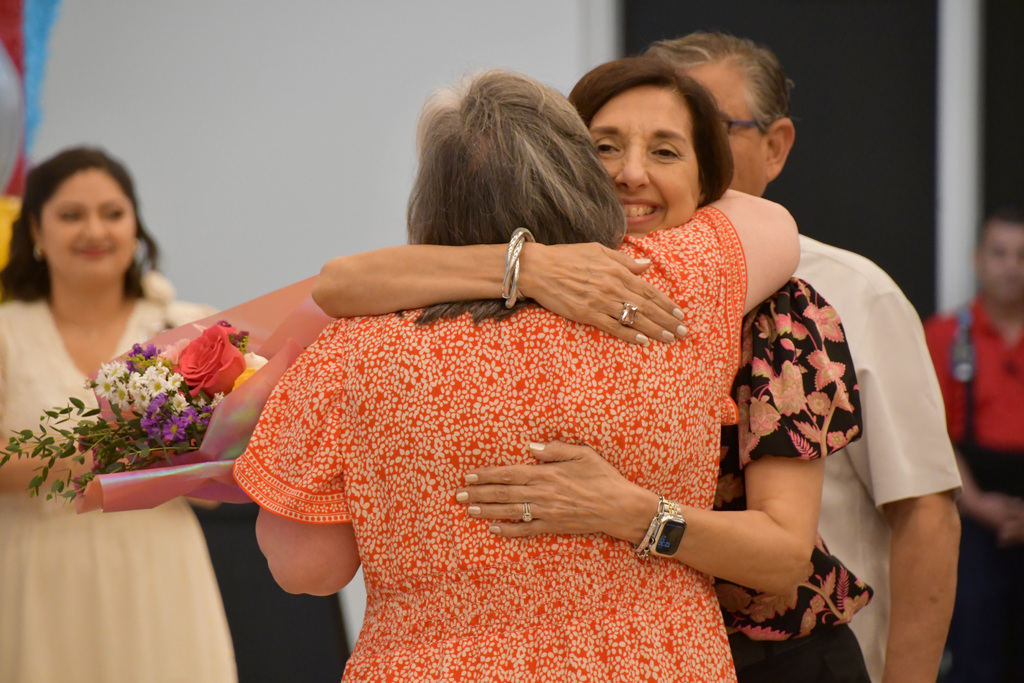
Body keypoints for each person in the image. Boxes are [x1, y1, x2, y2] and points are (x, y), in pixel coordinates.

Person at [314, 56, 874, 681]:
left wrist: (632, 512)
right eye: (604, 147)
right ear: (564, 162)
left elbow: (783, 555)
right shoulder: (485, 297)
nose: (631, 174)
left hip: (770, 652)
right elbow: (337, 282)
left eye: (666, 152)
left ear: (709, 180)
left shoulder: (771, 309)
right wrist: (525, 267)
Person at [644, 32, 964, 683]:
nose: (668, 159)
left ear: (776, 145)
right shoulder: (599, 288)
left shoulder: (849, 292)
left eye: (706, 127)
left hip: (799, 655)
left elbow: (925, 515)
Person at [0, 146, 237, 682]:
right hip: (37, 574)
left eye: (112, 213)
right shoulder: (6, 333)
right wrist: (98, 451)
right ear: (35, 231)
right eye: (70, 215)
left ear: (136, 226)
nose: (94, 230)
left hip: (159, 571)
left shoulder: (188, 329)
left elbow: (216, 481)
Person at [924, 207, 1024, 682]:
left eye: (1022, 255)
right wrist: (980, 504)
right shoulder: (944, 336)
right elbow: (930, 436)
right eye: (1000, 253)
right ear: (978, 260)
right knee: (975, 653)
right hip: (971, 512)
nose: (1010, 265)